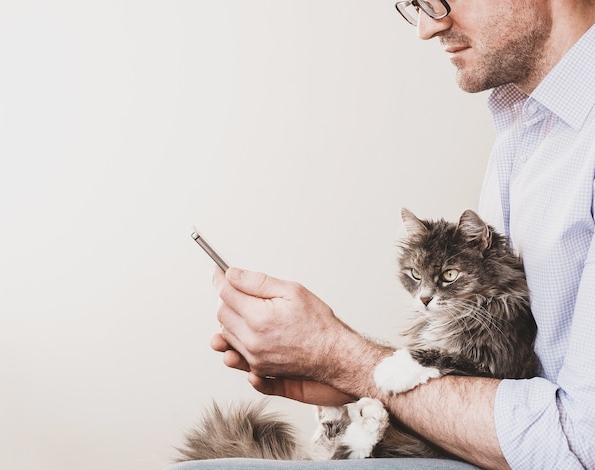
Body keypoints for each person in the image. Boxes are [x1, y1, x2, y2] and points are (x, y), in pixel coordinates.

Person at [174, 0, 595, 468]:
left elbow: (579, 444)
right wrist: (347, 374)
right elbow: (506, 375)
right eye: (415, 5)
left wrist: (347, 360)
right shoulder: (523, 127)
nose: (425, 27)